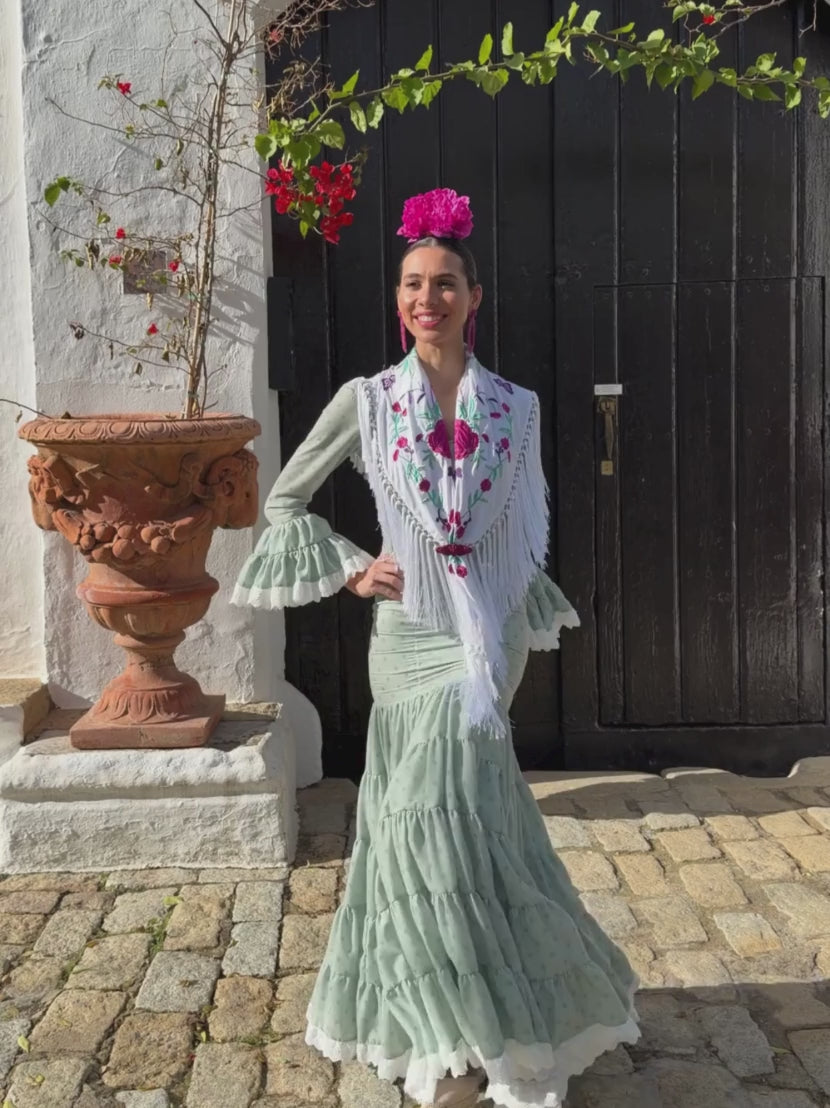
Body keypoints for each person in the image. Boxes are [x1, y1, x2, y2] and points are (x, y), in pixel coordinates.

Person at [233, 188, 639, 1108]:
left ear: (473, 296)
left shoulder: (516, 409)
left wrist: (501, 627)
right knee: (420, 822)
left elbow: (519, 534)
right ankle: (448, 1032)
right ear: (399, 299)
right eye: (413, 284)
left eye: (445, 282)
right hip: (409, 639)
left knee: (468, 827)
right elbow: (285, 499)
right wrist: (353, 569)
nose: (429, 298)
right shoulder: (367, 401)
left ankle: (482, 1022)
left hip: (488, 641)